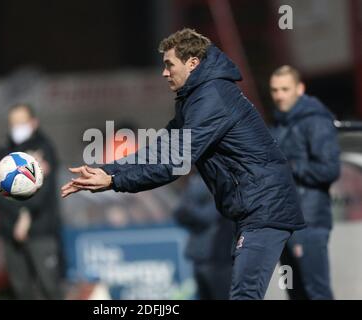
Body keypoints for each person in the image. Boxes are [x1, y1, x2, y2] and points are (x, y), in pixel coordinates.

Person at [61, 28, 306, 300]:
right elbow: (160, 148)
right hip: (256, 207)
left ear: (192, 63)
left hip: (265, 207)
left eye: (169, 65)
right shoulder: (195, 98)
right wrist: (107, 170)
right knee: (297, 291)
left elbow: (175, 163)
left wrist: (115, 182)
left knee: (245, 293)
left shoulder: (211, 97)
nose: (164, 72)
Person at [270, 65, 340, 300]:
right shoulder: (281, 123)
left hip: (309, 221)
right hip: (286, 221)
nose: (279, 95)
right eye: (274, 90)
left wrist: (289, 167)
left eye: (285, 89)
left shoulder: (315, 120)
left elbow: (329, 169)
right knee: (297, 293)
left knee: (316, 291)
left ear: (300, 89)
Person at [0, 104, 64, 299]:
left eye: (21, 122)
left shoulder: (45, 148)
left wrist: (26, 215)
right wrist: (17, 216)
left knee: (49, 286)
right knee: (21, 289)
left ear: (33, 123)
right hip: (10, 229)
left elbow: (43, 192)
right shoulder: (5, 153)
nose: (16, 127)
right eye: (13, 123)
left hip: (40, 229)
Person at [173, 172, 234, 300]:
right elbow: (178, 214)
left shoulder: (221, 180)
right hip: (200, 258)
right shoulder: (195, 181)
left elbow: (209, 216)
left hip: (220, 259)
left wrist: (188, 210)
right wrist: (189, 210)